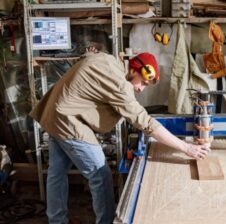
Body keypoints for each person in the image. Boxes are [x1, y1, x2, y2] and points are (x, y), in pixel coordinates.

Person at [29, 50, 210, 224]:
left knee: (56, 173)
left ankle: (57, 221)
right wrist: (186, 147)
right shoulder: (119, 84)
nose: (140, 89)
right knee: (100, 175)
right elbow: (145, 122)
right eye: (143, 83)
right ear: (133, 69)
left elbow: (87, 57)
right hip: (67, 121)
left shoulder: (108, 60)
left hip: (53, 114)